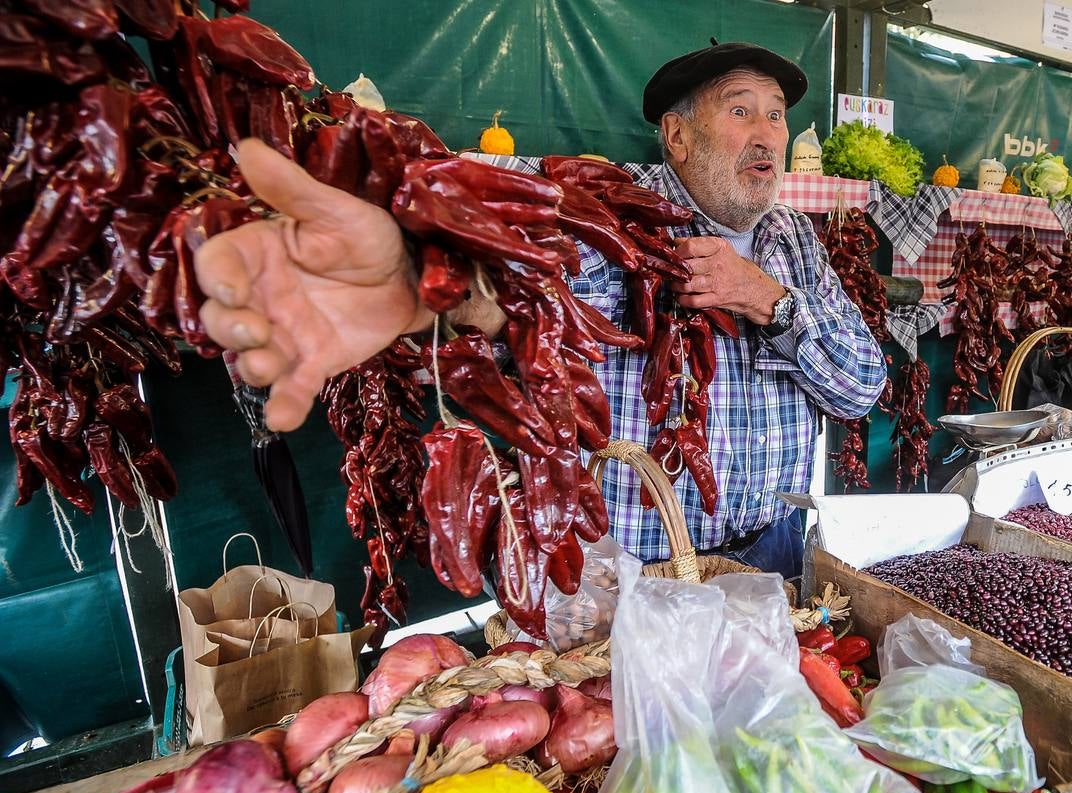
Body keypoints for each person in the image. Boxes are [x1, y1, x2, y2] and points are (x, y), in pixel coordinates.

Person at [195, 42, 886, 582]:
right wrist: (426, 283)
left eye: (775, 113)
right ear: (676, 138)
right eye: (740, 111)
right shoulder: (599, 209)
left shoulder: (793, 238)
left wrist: (766, 299)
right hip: (624, 565)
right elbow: (519, 305)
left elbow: (859, 387)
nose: (767, 133)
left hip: (772, 555)